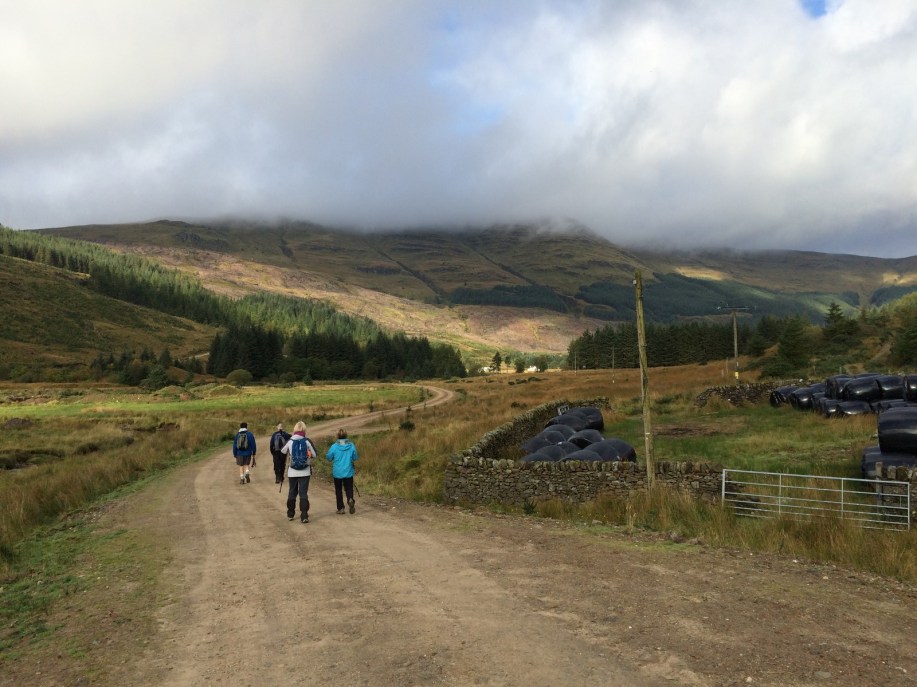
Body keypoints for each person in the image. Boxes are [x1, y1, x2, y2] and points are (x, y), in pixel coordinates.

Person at [282, 421, 316, 523]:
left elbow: (283, 450)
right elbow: (314, 454)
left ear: (295, 429)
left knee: (292, 492)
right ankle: (304, 515)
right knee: (303, 493)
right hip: (305, 472)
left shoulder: (290, 441)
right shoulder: (307, 441)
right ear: (304, 430)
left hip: (292, 471)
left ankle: (290, 514)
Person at [325, 428, 358, 514]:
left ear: (337, 436)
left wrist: (333, 457)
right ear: (346, 435)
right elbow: (355, 457)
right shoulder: (351, 445)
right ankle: (350, 499)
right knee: (349, 488)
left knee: (338, 490)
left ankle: (341, 508)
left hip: (337, 472)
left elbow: (328, 458)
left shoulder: (334, 446)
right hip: (348, 471)